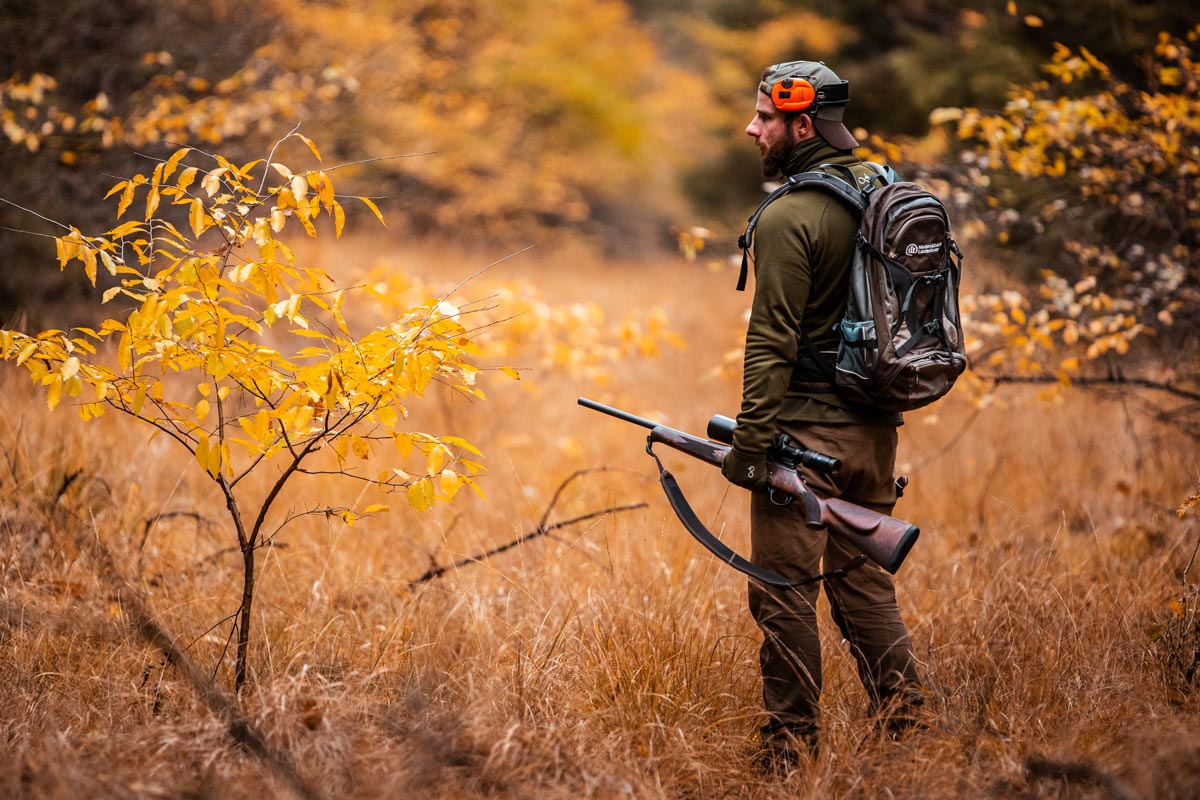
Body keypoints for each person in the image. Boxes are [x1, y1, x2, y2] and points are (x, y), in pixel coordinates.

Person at [720, 60, 926, 771]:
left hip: (807, 437)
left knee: (782, 594)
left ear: (801, 124)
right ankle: (910, 733)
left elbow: (771, 340)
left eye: (765, 119)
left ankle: (787, 755)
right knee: (866, 585)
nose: (752, 129)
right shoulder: (878, 188)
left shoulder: (789, 215)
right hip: (874, 430)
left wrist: (748, 449)